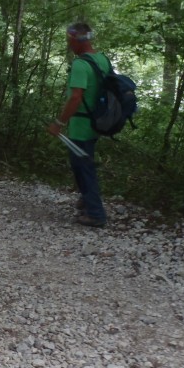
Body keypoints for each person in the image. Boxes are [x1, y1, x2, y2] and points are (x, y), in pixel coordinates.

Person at [47, 22, 111, 227]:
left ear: (77, 40)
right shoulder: (102, 59)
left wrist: (58, 122)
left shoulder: (80, 65)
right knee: (84, 162)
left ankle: (96, 213)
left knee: (82, 166)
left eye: (69, 40)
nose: (68, 44)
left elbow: (75, 97)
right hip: (98, 122)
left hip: (82, 124)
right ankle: (86, 201)